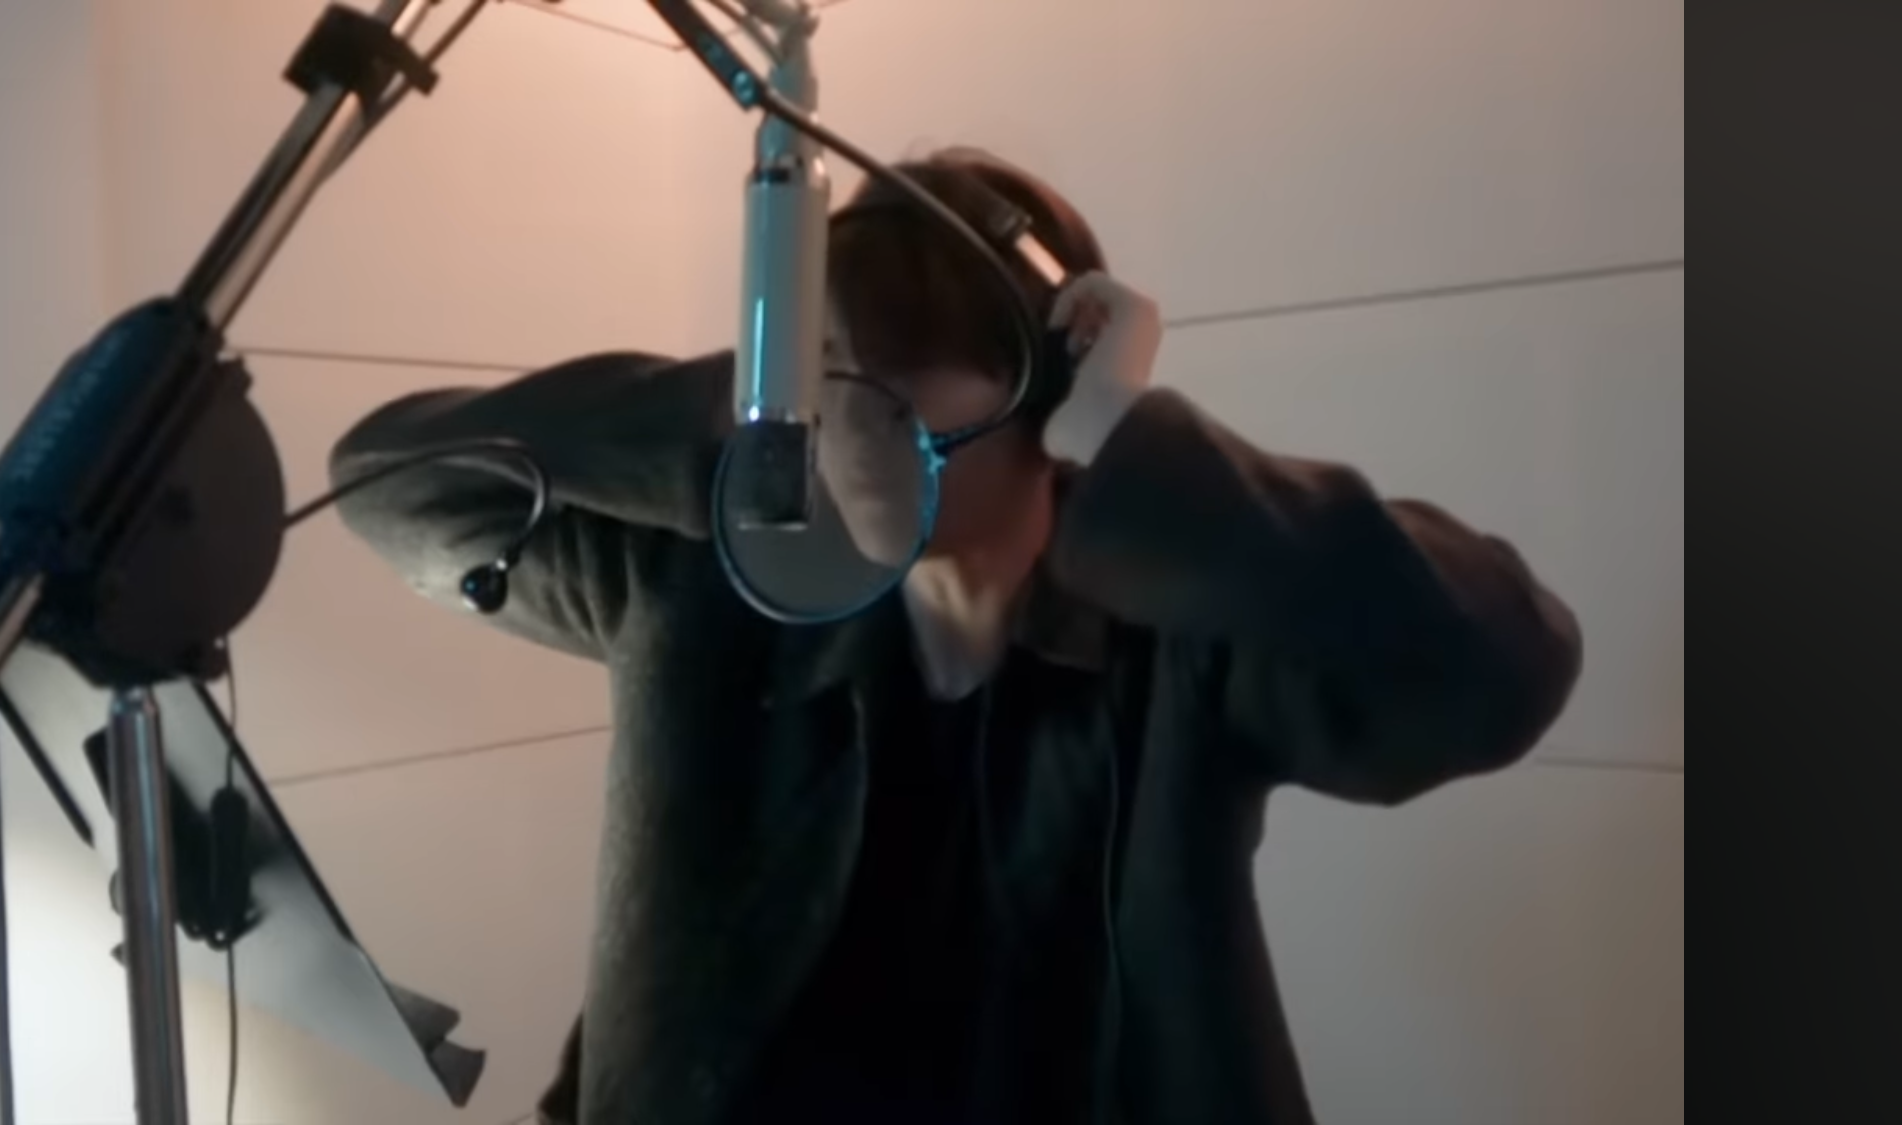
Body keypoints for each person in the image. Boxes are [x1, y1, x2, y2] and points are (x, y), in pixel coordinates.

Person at [330, 146, 1582, 1125]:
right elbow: (395, 482)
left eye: (896, 371)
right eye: (827, 367)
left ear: (1044, 383)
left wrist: (1133, 441)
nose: (846, 416)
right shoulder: (706, 583)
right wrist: (746, 399)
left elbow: (1496, 670)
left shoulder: (1185, 629)